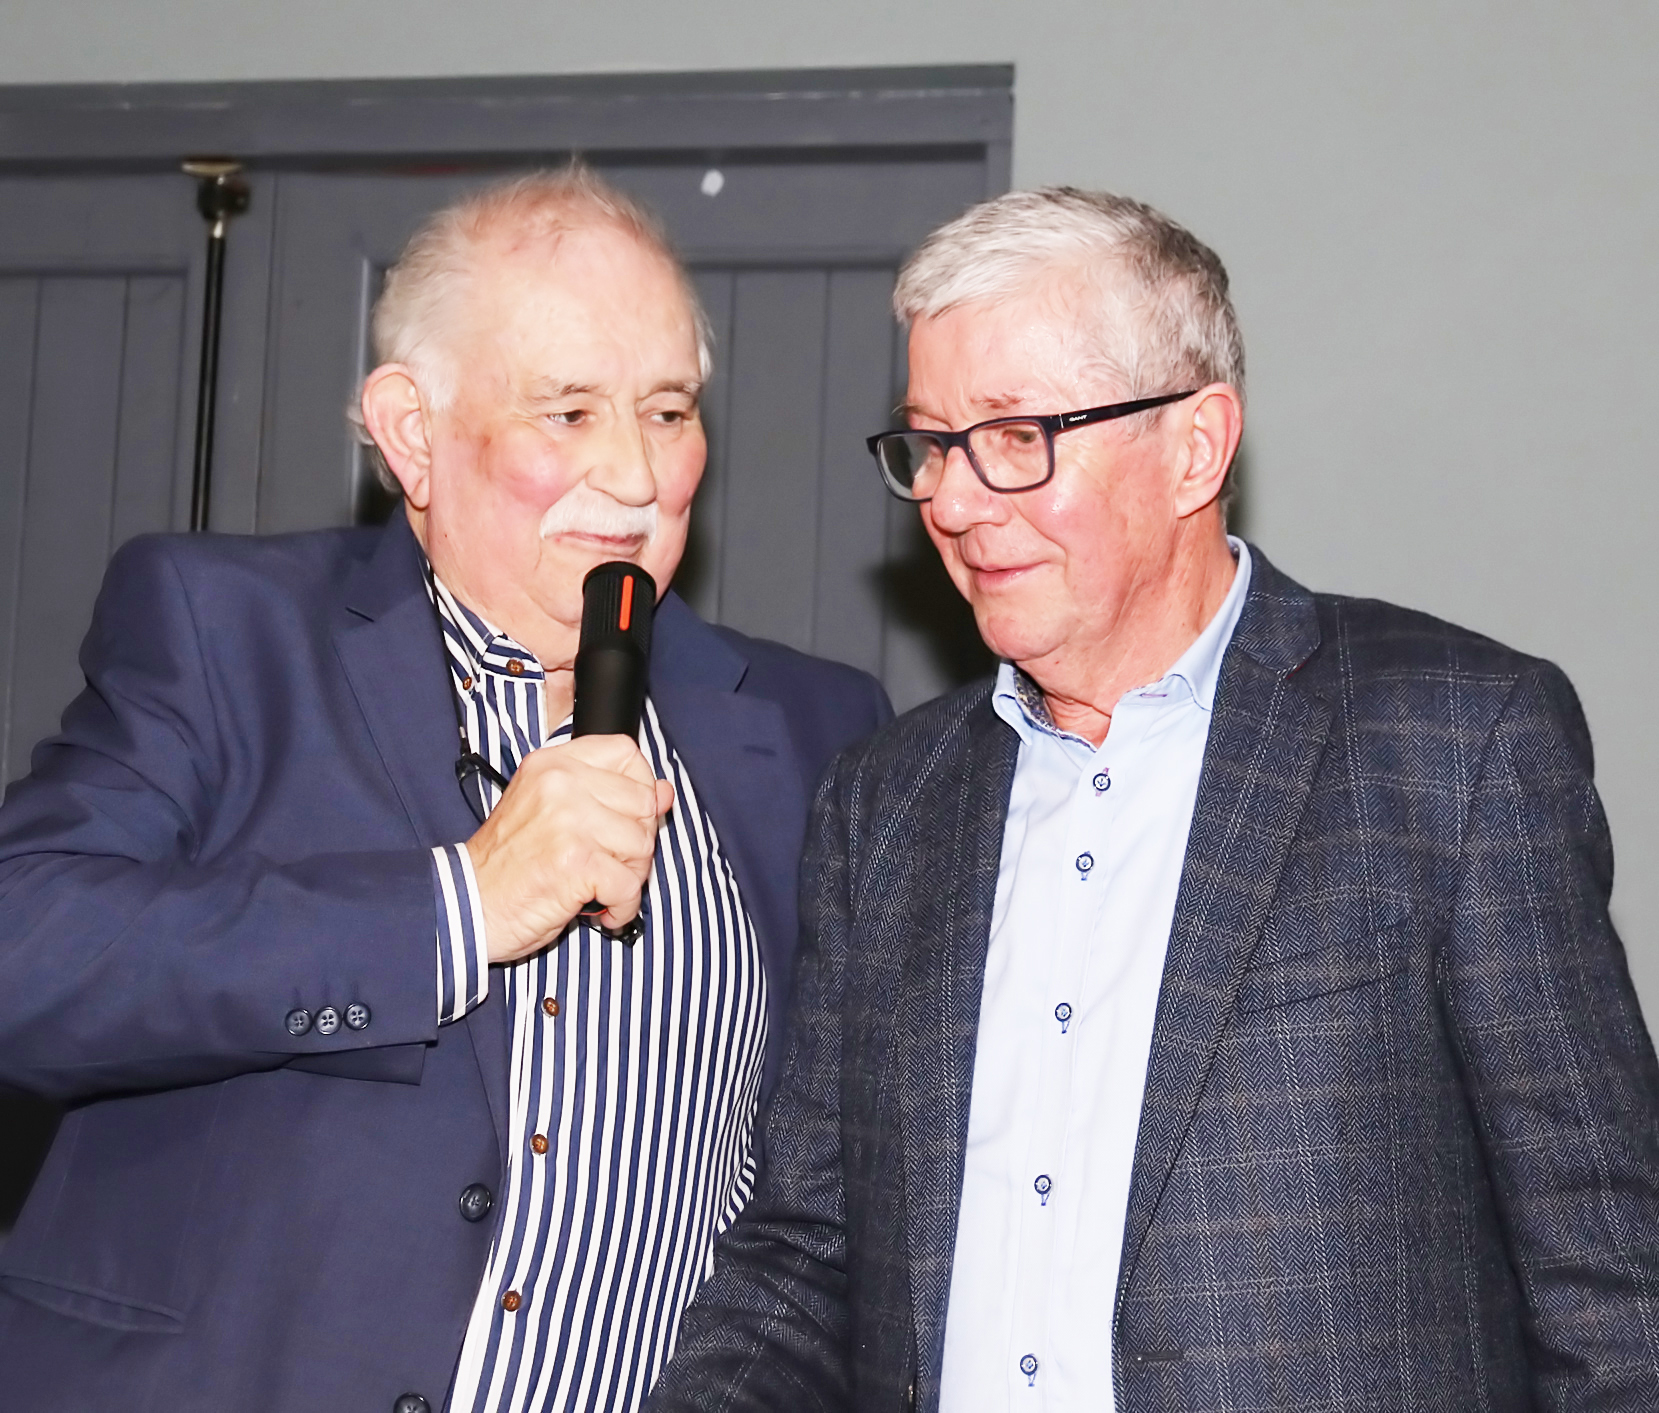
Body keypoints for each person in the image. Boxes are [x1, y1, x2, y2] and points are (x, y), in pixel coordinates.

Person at [649, 187, 1659, 1411]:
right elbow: (808, 1255)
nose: (954, 503)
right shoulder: (886, 802)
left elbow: (1613, 1288)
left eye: (1015, 435)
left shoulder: (1453, 743)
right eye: (931, 445)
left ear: (1195, 447)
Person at [0, 167, 890, 1411]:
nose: (637, 474)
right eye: (568, 411)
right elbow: (27, 956)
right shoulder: (229, 633)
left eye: (668, 410)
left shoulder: (815, 732)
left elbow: (818, 1207)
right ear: (412, 433)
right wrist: (459, 908)